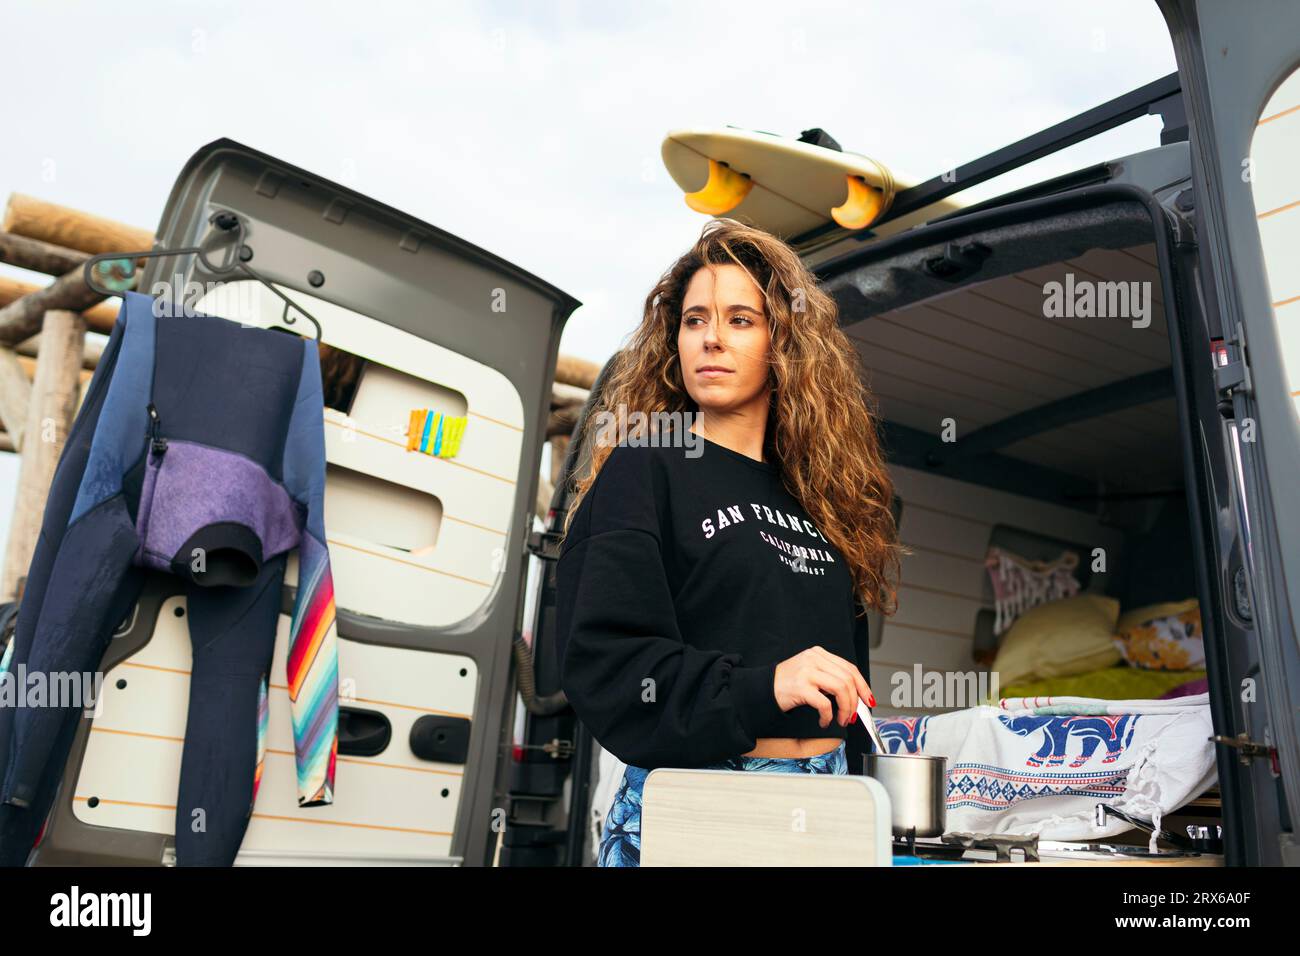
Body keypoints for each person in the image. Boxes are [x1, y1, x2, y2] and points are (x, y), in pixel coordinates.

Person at [556, 217, 905, 867]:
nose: (711, 339)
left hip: (827, 804)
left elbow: (845, 681)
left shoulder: (823, 497)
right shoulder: (647, 467)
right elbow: (606, 663)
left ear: (785, 340)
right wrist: (763, 687)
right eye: (694, 321)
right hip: (702, 804)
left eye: (740, 320)